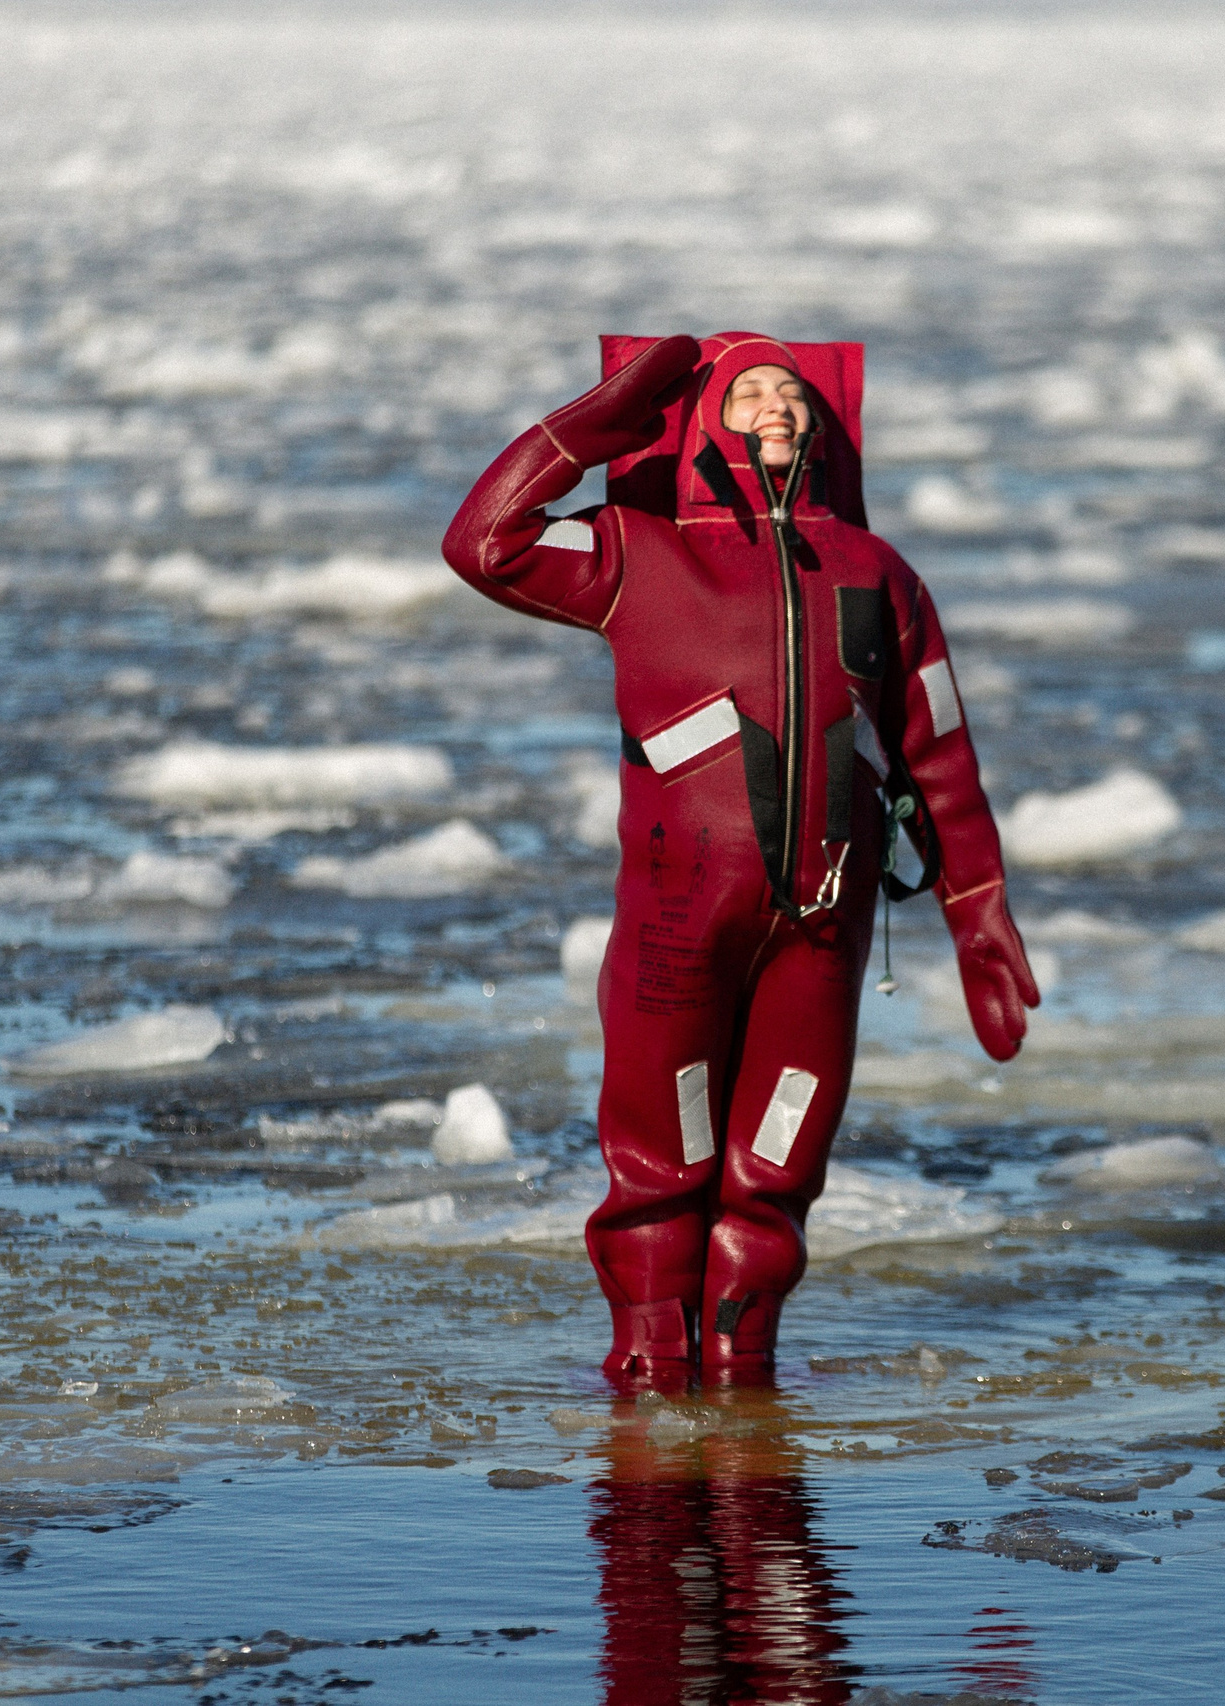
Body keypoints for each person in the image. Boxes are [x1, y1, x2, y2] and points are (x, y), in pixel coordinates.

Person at [443, 332, 1038, 1385]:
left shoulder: (879, 573)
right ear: (704, 421)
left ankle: (745, 1370)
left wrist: (976, 903)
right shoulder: (637, 554)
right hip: (679, 922)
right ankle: (648, 1370)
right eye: (748, 390)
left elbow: (938, 749)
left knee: (779, 1159)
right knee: (662, 1158)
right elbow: (483, 543)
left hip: (825, 929)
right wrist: (582, 433)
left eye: (791, 391)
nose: (776, 404)